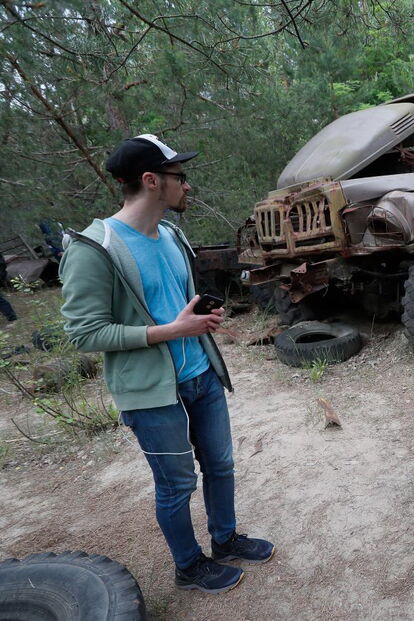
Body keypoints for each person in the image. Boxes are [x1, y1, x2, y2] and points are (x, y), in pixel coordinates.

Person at [59, 134, 274, 594]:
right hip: (152, 393)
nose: (188, 186)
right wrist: (169, 332)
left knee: (220, 465)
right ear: (152, 181)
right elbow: (84, 333)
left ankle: (225, 538)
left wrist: (199, 319)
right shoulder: (94, 248)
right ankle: (188, 565)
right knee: (176, 485)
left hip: (201, 375)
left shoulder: (173, 235)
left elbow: (175, 303)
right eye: (180, 177)